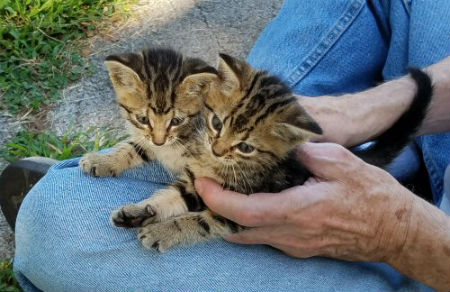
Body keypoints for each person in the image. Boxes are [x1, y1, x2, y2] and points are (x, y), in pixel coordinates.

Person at [10, 0, 450, 291]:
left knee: (58, 217)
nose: (218, 144)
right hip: (303, 131)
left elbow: (228, 202)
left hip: (428, 261)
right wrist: (366, 110)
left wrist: (404, 235)